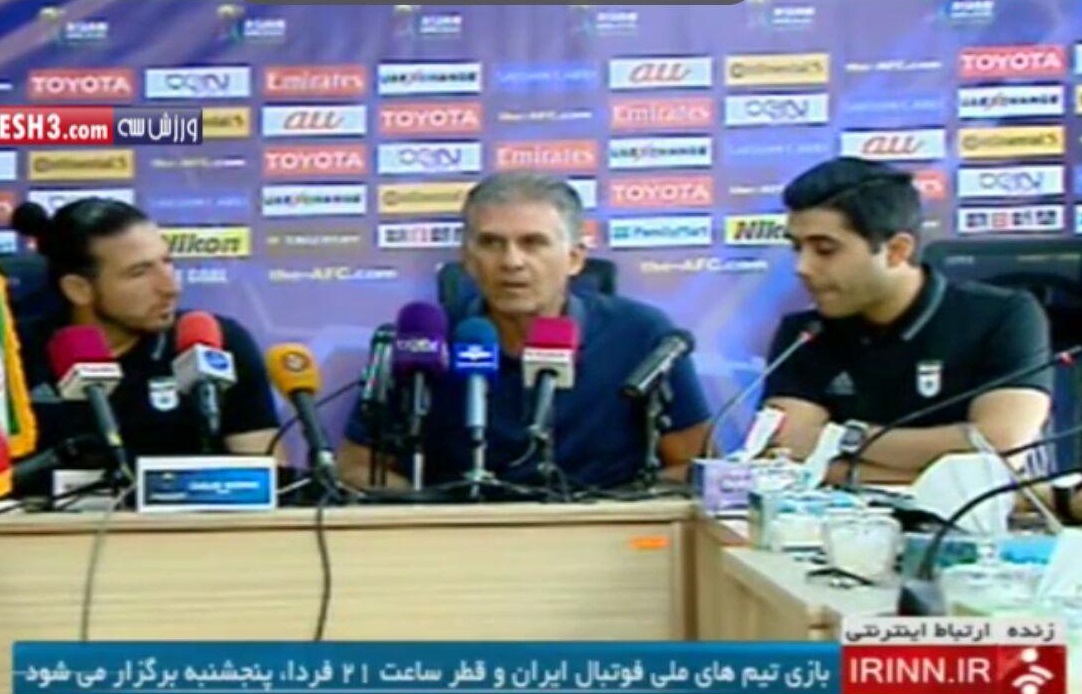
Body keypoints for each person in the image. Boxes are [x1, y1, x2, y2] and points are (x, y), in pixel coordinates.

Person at [338, 172, 711, 490]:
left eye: (533, 243)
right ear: (466, 259)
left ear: (575, 258)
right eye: (491, 243)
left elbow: (697, 465)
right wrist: (433, 513)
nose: (512, 262)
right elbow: (356, 467)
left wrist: (609, 509)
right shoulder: (421, 341)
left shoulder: (641, 335)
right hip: (460, 536)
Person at [760, 157, 1053, 485]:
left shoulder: (1004, 315)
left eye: (825, 250)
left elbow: (1000, 444)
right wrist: (939, 474)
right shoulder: (805, 333)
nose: (802, 267)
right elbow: (787, 457)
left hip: (978, 518)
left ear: (897, 250)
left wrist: (843, 440)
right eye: (796, 248)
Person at [8, 199, 282, 497]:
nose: (171, 287)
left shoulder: (214, 342)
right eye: (139, 272)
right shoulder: (12, 359)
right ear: (79, 289)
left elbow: (270, 484)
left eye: (167, 262)